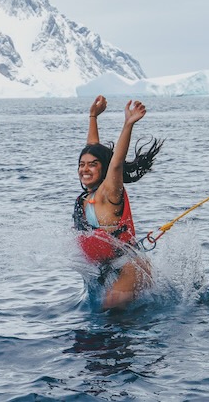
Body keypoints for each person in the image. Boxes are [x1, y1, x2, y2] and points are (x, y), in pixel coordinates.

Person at [72, 95, 163, 310]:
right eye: (81, 164)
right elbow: (93, 149)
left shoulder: (109, 192)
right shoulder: (89, 196)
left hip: (129, 269)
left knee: (110, 316)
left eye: (92, 165)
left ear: (103, 169)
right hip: (111, 270)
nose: (85, 169)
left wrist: (128, 124)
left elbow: (115, 163)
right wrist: (93, 116)